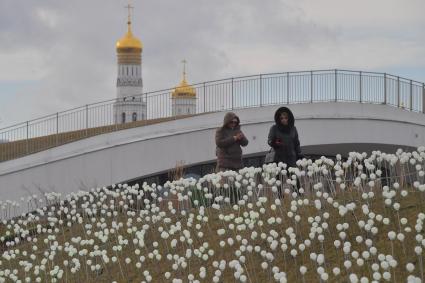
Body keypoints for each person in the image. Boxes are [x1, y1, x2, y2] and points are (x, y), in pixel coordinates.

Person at [267, 107, 304, 194]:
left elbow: (296, 143)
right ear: (278, 119)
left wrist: (299, 154)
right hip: (278, 158)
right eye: (281, 118)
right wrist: (275, 142)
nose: (284, 120)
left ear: (289, 118)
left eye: (286, 118)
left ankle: (299, 198)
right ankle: (279, 200)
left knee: (295, 181)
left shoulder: (293, 129)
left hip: (291, 157)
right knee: (278, 182)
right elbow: (269, 141)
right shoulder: (274, 128)